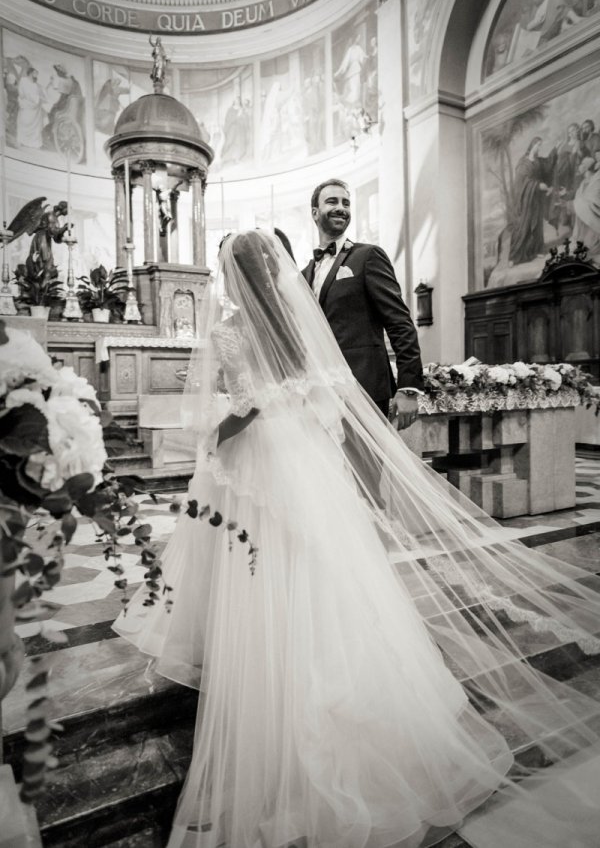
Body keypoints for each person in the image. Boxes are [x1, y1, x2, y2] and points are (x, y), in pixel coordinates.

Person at [114, 229, 600, 848]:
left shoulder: (229, 331)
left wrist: (216, 436)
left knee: (259, 561)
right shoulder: (299, 322)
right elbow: (315, 397)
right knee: (322, 568)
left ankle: (257, 666)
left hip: (262, 458)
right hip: (303, 459)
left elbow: (247, 404)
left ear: (235, 276)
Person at [303, 178, 422, 427]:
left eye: (346, 203)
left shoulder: (367, 256)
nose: (341, 208)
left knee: (366, 466)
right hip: (320, 393)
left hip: (365, 388)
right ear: (315, 213)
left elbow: (399, 322)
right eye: (332, 201)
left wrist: (409, 387)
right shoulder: (305, 274)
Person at [509, 137, 557, 265]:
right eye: (538, 145)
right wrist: (536, 185)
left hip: (536, 198)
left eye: (541, 145)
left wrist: (555, 150)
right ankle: (515, 256)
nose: (539, 148)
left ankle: (537, 250)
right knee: (524, 223)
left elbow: (548, 165)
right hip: (525, 198)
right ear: (532, 145)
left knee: (537, 223)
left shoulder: (538, 161)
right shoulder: (523, 162)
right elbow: (521, 182)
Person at [16, 67, 46, 149]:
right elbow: (21, 93)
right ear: (30, 73)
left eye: (37, 73)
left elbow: (41, 95)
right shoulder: (23, 80)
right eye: (35, 73)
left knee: (36, 124)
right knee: (23, 122)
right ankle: (21, 140)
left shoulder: (36, 85)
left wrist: (37, 98)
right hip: (26, 105)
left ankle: (35, 143)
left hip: (35, 108)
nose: (36, 75)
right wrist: (28, 99)